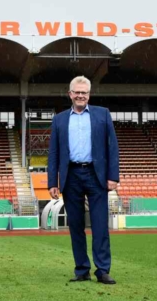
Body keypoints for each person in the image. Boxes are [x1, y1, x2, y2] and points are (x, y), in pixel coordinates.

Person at [47, 76, 120, 284]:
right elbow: (53, 153)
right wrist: (53, 182)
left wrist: (113, 176)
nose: (80, 95)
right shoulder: (59, 119)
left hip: (96, 176)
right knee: (76, 225)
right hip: (71, 176)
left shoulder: (102, 115)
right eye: (77, 92)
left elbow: (112, 147)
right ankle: (82, 269)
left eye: (84, 92)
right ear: (70, 94)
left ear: (89, 94)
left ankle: (103, 270)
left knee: (100, 225)